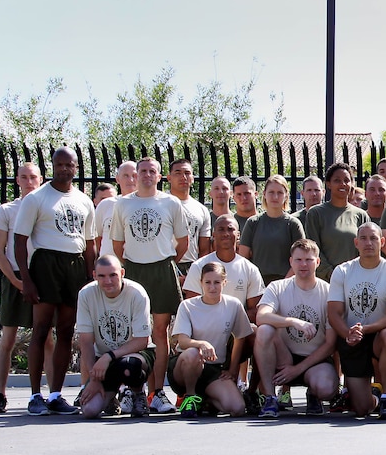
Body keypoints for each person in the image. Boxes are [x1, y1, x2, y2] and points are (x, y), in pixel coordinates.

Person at [13, 146, 96, 416]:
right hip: (45, 263)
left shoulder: (84, 201)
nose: (64, 169)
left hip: (73, 265)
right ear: (53, 166)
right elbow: (20, 240)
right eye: (59, 164)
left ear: (76, 168)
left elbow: (90, 243)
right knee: (41, 329)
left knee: (66, 330)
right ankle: (36, 395)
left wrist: (88, 275)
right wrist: (26, 279)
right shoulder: (36, 198)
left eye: (68, 165)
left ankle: (56, 394)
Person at [110, 156, 189, 412]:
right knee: (134, 333)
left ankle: (157, 392)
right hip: (134, 270)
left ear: (159, 176)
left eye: (151, 171)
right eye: (141, 171)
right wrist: (136, 264)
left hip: (162, 270)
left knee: (160, 332)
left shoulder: (171, 202)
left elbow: (182, 242)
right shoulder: (123, 204)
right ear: (136, 174)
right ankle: (134, 391)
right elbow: (118, 245)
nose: (146, 175)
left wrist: (161, 263)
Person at [0, 163, 52, 413]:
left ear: (41, 179)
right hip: (15, 276)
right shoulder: (6, 210)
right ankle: (0, 395)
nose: (29, 181)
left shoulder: (47, 207)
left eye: (33, 177)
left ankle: (50, 393)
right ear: (17, 180)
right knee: (8, 337)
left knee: (46, 337)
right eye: (24, 177)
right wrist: (17, 282)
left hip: (41, 276)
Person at [328, 222, 386, 419]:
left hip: (378, 335)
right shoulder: (342, 271)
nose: (368, 243)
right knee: (362, 409)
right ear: (356, 242)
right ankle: (376, 397)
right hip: (351, 339)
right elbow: (334, 313)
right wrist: (348, 334)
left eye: (373, 238)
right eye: (363, 238)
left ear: (382, 242)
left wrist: (364, 329)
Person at [253, 239, 339, 417]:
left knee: (326, 389)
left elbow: (331, 344)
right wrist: (293, 322)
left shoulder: (329, 292)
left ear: (317, 262)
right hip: (282, 356)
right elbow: (261, 316)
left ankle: (314, 394)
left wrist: (297, 370)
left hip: (314, 359)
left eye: (308, 260)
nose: (303, 264)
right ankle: (270, 397)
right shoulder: (277, 287)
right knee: (264, 330)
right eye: (298, 260)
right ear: (291, 261)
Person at [169, 261, 254, 417]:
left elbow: (240, 337)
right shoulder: (187, 306)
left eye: (217, 282)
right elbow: (183, 341)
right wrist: (201, 344)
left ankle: (205, 399)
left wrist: (233, 369)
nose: (212, 287)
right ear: (201, 283)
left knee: (237, 408)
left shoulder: (233, 305)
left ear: (225, 282)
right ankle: (190, 396)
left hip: (214, 369)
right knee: (193, 353)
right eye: (207, 282)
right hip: (185, 366)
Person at [75, 255, 154, 419]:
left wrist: (108, 356)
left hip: (135, 355)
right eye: (102, 276)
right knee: (89, 410)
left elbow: (142, 340)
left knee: (129, 365)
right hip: (103, 361)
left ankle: (138, 394)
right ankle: (110, 397)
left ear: (122, 273)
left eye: (113, 275)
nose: (108, 281)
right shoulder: (86, 294)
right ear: (94, 275)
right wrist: (94, 379)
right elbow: (86, 342)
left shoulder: (137, 293)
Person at [303, 163, 370, 281]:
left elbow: (366, 249)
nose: (342, 184)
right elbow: (312, 249)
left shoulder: (361, 215)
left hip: (356, 280)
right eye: (337, 180)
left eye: (346, 180)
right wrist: (331, 274)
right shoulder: (316, 213)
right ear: (328, 184)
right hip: (325, 281)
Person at [238, 174, 305, 284]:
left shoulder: (293, 224)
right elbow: (243, 259)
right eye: (271, 192)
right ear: (264, 194)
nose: (275, 197)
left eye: (279, 193)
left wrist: (283, 284)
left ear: (286, 196)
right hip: (256, 283)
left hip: (286, 283)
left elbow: (301, 258)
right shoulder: (253, 222)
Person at [167, 159, 212, 277]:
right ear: (169, 178)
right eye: (177, 173)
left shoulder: (201, 210)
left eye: (187, 173)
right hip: (164, 264)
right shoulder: (160, 204)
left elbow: (204, 249)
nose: (183, 177)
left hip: (191, 267)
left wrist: (195, 272)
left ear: (192, 178)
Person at [95, 161, 137, 256]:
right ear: (117, 179)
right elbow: (97, 238)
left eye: (134, 175)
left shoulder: (147, 205)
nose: (130, 180)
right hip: (109, 267)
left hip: (136, 265)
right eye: (125, 176)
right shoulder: (105, 205)